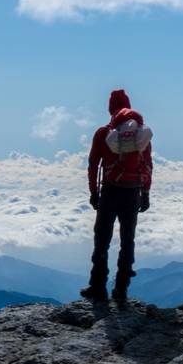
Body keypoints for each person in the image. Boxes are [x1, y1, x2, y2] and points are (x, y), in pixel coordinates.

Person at [80, 88, 153, 303]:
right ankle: (121, 289)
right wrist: (145, 193)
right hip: (132, 192)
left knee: (102, 239)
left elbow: (93, 164)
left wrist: (94, 191)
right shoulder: (141, 135)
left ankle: (98, 287)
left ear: (111, 108)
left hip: (110, 190)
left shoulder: (104, 133)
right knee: (127, 239)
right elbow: (148, 165)